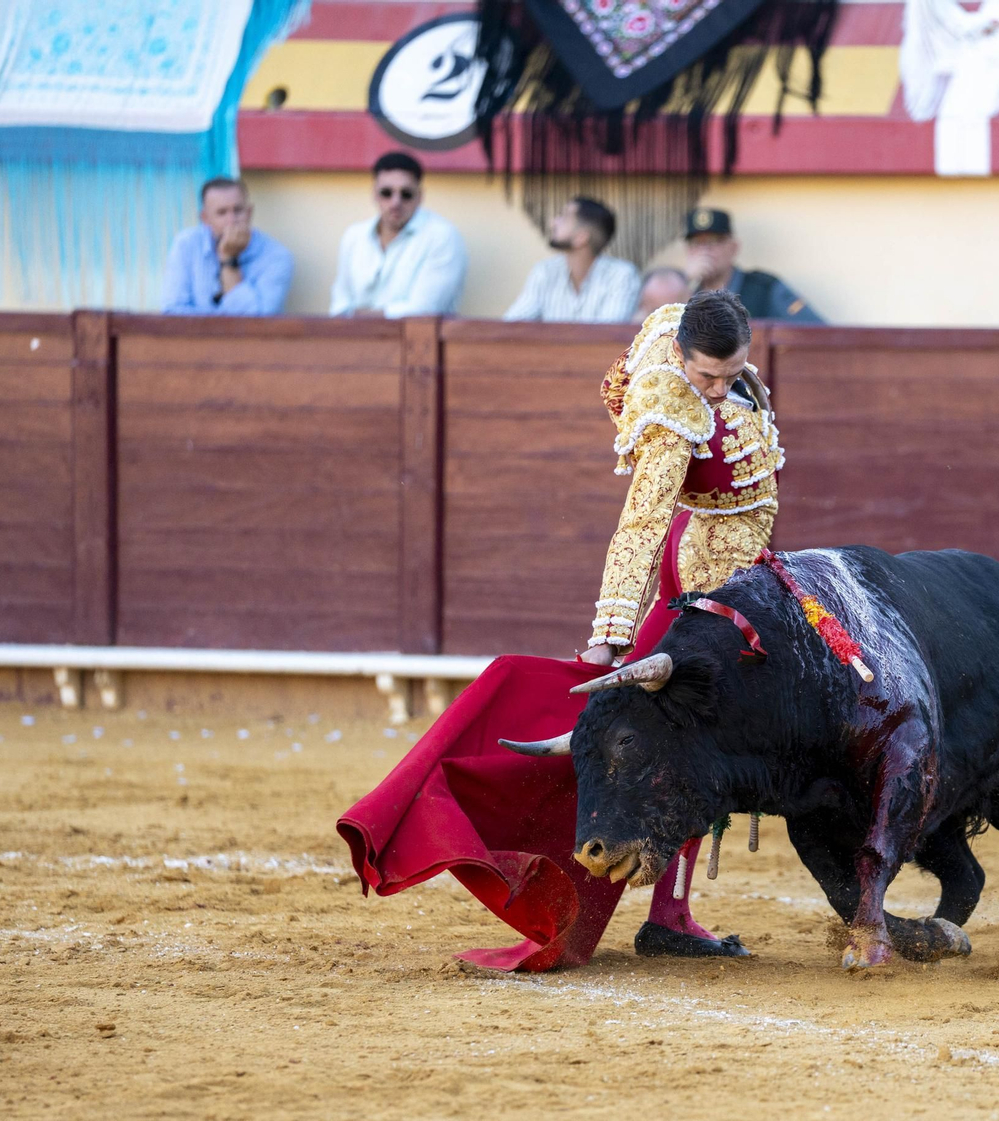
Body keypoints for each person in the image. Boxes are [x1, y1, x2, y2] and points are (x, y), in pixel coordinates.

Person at [339, 289, 784, 970]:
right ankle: (668, 913)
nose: (720, 391)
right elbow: (639, 530)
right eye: (707, 377)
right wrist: (610, 635)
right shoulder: (672, 421)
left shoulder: (684, 325)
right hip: (710, 568)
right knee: (696, 726)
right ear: (681, 358)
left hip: (727, 553)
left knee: (696, 726)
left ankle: (671, 912)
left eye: (732, 375)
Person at [330, 151, 467, 318]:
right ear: (374, 194)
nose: (396, 203)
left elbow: (424, 311)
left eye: (406, 194)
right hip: (356, 340)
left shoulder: (442, 237)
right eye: (387, 193)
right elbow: (339, 305)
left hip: (418, 342)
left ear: (420, 196)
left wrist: (362, 316)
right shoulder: (354, 236)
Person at [160, 177, 293, 316]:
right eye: (222, 213)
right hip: (194, 338)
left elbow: (258, 322)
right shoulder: (186, 245)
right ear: (205, 218)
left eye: (238, 210)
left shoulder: (276, 256)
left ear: (249, 213)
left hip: (248, 339)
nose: (232, 220)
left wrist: (229, 259)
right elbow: (172, 311)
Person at [504, 197, 640, 322]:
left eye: (563, 217)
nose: (553, 223)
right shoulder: (545, 271)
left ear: (581, 237)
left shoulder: (622, 275)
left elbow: (609, 335)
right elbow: (513, 324)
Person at [683, 207, 824, 323]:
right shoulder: (683, 293)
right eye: (697, 243)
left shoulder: (764, 288)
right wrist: (683, 282)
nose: (705, 250)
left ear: (733, 247)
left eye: (714, 241)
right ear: (688, 250)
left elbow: (815, 331)